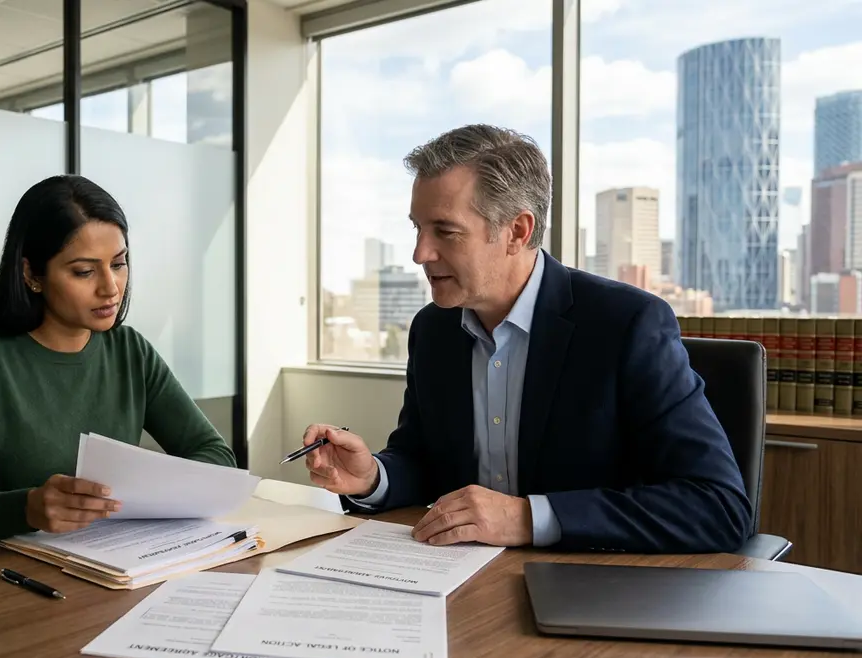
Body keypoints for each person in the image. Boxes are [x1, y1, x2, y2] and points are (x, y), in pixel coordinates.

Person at [302, 124, 752, 554]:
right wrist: (373, 478)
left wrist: (525, 518)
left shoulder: (628, 324)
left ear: (517, 231)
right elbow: (423, 460)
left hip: (592, 588)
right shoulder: (434, 329)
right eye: (417, 228)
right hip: (465, 585)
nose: (421, 252)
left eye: (445, 231)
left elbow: (719, 507)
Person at [0, 175, 235, 544]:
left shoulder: (130, 350)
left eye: (118, 263)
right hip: (1, 577)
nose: (110, 287)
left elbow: (216, 457)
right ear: (31, 275)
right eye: (84, 271)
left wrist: (149, 488)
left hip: (109, 565)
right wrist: (24, 509)